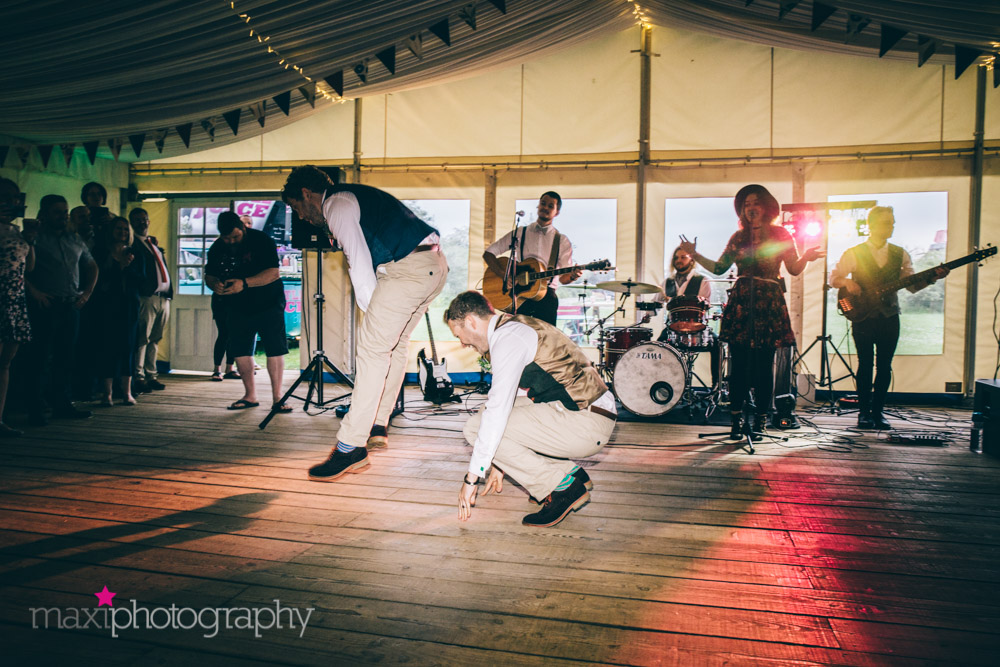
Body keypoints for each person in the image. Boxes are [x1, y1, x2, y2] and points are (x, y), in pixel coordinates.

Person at [282, 165, 448, 472]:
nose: (302, 217)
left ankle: (350, 446)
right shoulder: (352, 197)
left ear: (306, 194)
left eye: (297, 208)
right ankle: (377, 425)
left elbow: (357, 263)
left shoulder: (336, 204)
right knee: (394, 347)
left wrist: (371, 314)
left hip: (407, 271)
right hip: (432, 265)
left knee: (372, 349)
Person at [445, 291, 616, 527]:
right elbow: (514, 398)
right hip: (588, 412)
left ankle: (561, 487)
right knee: (486, 415)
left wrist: (471, 479)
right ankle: (572, 474)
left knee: (476, 427)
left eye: (459, 334)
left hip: (586, 422)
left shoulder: (507, 338)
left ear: (471, 321)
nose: (462, 343)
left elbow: (499, 411)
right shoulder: (514, 327)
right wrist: (498, 463)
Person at [680, 184, 824, 440]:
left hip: (769, 302)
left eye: (755, 203)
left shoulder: (781, 235)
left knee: (763, 367)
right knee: (739, 367)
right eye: (746, 205)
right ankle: (736, 420)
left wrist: (807, 258)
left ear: (766, 207)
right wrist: (695, 255)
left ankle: (760, 421)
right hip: (743, 301)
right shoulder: (738, 238)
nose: (750, 208)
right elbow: (719, 268)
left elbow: (792, 268)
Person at [830, 206, 947, 430]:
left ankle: (878, 412)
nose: (891, 226)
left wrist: (932, 278)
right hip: (863, 316)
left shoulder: (900, 253)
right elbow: (834, 278)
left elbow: (911, 286)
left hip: (890, 316)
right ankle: (863, 413)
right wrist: (847, 282)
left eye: (892, 222)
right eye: (886, 222)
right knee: (864, 364)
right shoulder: (854, 252)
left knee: (884, 366)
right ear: (872, 225)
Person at [23, 194, 98, 425]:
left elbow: (91, 264)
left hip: (70, 304)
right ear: (44, 214)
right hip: (46, 305)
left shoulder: (74, 238)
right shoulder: (34, 238)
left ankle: (61, 404)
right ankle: (35, 408)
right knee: (40, 357)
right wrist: (34, 291)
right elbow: (18, 269)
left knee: (66, 357)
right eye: (57, 212)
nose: (63, 216)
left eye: (65, 212)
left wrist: (86, 293)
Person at [205, 211, 288, 412]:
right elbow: (209, 274)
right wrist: (214, 284)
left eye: (236, 236)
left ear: (243, 227)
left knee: (274, 348)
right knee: (240, 349)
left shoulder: (262, 240)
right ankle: (250, 395)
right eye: (227, 238)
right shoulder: (217, 247)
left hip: (268, 303)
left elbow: (273, 272)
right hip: (236, 306)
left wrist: (245, 283)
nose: (232, 241)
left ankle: (278, 398)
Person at [482, 192, 581, 326]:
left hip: (546, 296)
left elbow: (563, 278)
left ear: (557, 212)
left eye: (551, 206)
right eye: (543, 203)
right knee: (518, 338)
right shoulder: (520, 232)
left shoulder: (562, 241)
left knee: (546, 339)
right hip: (519, 294)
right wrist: (502, 274)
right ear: (538, 205)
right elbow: (489, 253)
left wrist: (573, 276)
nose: (545, 207)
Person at [91, 216, 141, 406]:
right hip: (107, 307)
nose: (122, 233)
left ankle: (127, 392)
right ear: (112, 231)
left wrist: (126, 267)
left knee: (127, 349)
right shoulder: (101, 252)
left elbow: (141, 278)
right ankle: (107, 394)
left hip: (129, 306)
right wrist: (118, 267)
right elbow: (98, 279)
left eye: (126, 230)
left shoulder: (134, 252)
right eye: (119, 229)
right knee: (107, 349)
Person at [655, 245, 720, 388]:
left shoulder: (703, 280)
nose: (679, 260)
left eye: (683, 257)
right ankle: (663, 386)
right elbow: (656, 303)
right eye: (676, 258)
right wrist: (648, 312)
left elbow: (705, 305)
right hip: (673, 329)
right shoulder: (667, 282)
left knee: (718, 344)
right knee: (658, 346)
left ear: (691, 260)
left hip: (699, 329)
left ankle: (716, 386)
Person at [0, 179, 34, 436]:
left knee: (6, 361)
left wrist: (29, 239)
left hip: (15, 296)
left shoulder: (14, 229)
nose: (12, 202)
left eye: (15, 197)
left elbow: (29, 266)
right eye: (6, 196)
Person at [129, 208, 171, 393]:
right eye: (137, 220)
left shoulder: (152, 243)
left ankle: (151, 374)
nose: (142, 223)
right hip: (147, 297)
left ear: (149, 221)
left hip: (163, 298)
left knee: (155, 338)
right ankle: (138, 376)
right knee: (142, 338)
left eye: (144, 219)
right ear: (131, 223)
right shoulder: (132, 245)